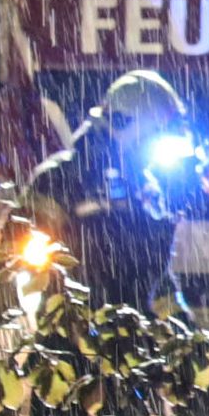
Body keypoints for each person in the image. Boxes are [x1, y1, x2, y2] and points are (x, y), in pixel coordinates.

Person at [23, 69, 194, 311]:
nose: (152, 152)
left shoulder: (145, 190)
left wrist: (189, 341)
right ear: (125, 124)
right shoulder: (57, 179)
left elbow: (159, 286)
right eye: (152, 137)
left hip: (129, 337)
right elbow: (22, 267)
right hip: (68, 335)